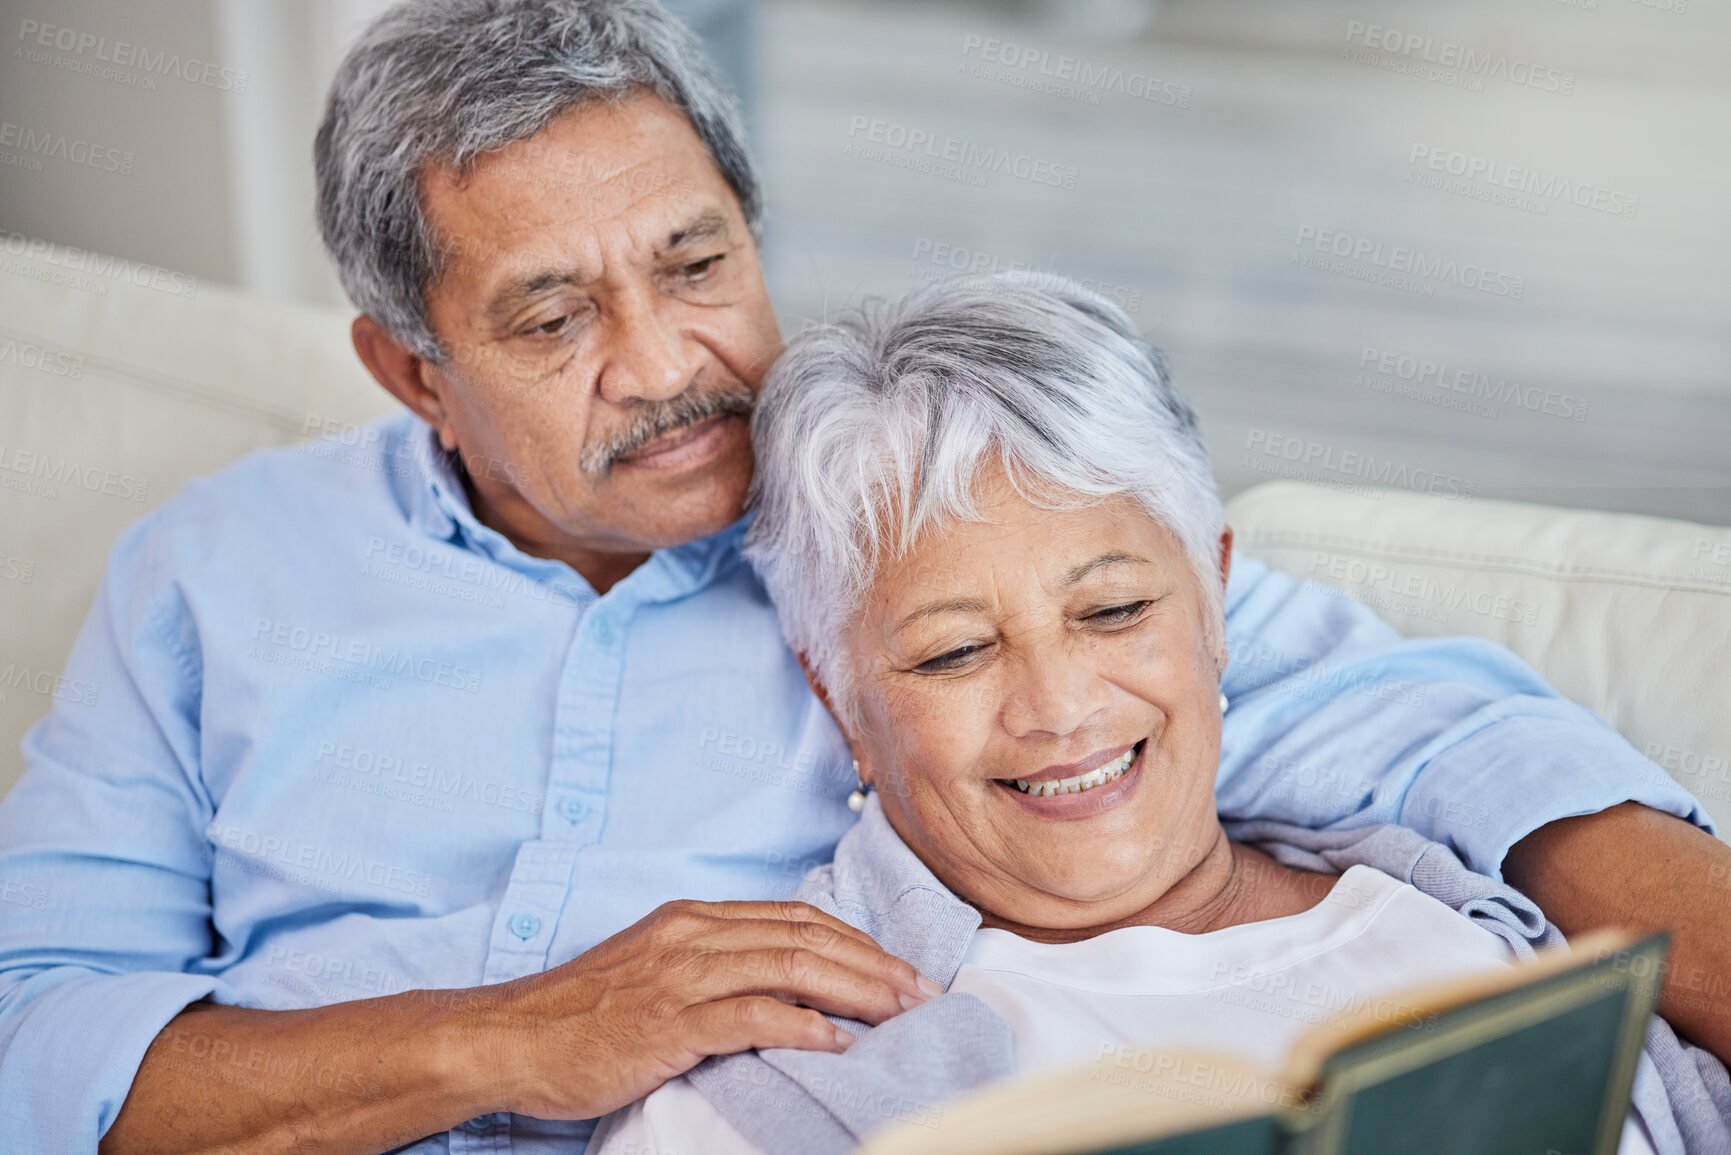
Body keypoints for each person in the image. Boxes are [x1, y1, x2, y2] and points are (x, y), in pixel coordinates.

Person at [0, 2, 1723, 1153]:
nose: (667, 360)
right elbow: (40, 1044)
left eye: (697, 262)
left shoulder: (895, 516)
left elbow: (1422, 736)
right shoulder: (215, 573)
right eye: (550, 316)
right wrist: (518, 1037)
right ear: (408, 372)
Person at [591, 273, 1701, 1155]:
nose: (1062, 708)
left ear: (1214, 599)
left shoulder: (1483, 918)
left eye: (1114, 610)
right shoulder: (764, 1098)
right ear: (841, 701)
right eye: (957, 651)